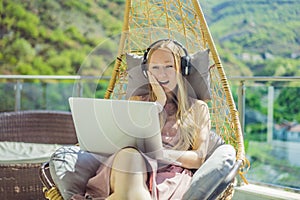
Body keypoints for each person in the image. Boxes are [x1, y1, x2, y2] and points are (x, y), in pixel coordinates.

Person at [51, 39, 236, 200]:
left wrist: (160, 154)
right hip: (127, 165)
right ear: (147, 72)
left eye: (169, 66)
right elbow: (123, 140)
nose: (162, 74)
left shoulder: (197, 108)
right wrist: (159, 103)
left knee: (126, 192)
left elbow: (198, 158)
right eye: (155, 67)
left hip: (166, 176)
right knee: (129, 156)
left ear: (181, 69)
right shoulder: (137, 102)